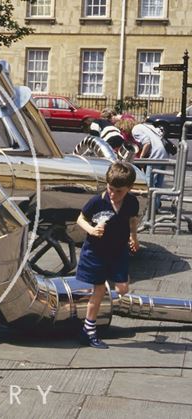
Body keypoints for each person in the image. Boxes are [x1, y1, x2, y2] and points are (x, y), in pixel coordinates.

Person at [76, 161, 140, 349]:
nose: (113, 194)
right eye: (110, 188)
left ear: (129, 188)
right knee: (98, 292)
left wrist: (134, 237)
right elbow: (80, 218)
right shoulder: (98, 201)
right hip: (97, 252)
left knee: (122, 289)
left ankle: (91, 323)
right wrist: (91, 229)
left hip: (118, 250)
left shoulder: (131, 202)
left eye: (119, 191)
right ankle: (88, 330)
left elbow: (132, 220)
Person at [132, 121, 169, 209]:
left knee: (149, 182)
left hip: (155, 155)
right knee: (159, 182)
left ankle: (148, 208)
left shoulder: (135, 129)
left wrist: (141, 158)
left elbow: (147, 142)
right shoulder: (147, 126)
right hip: (165, 153)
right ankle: (155, 206)